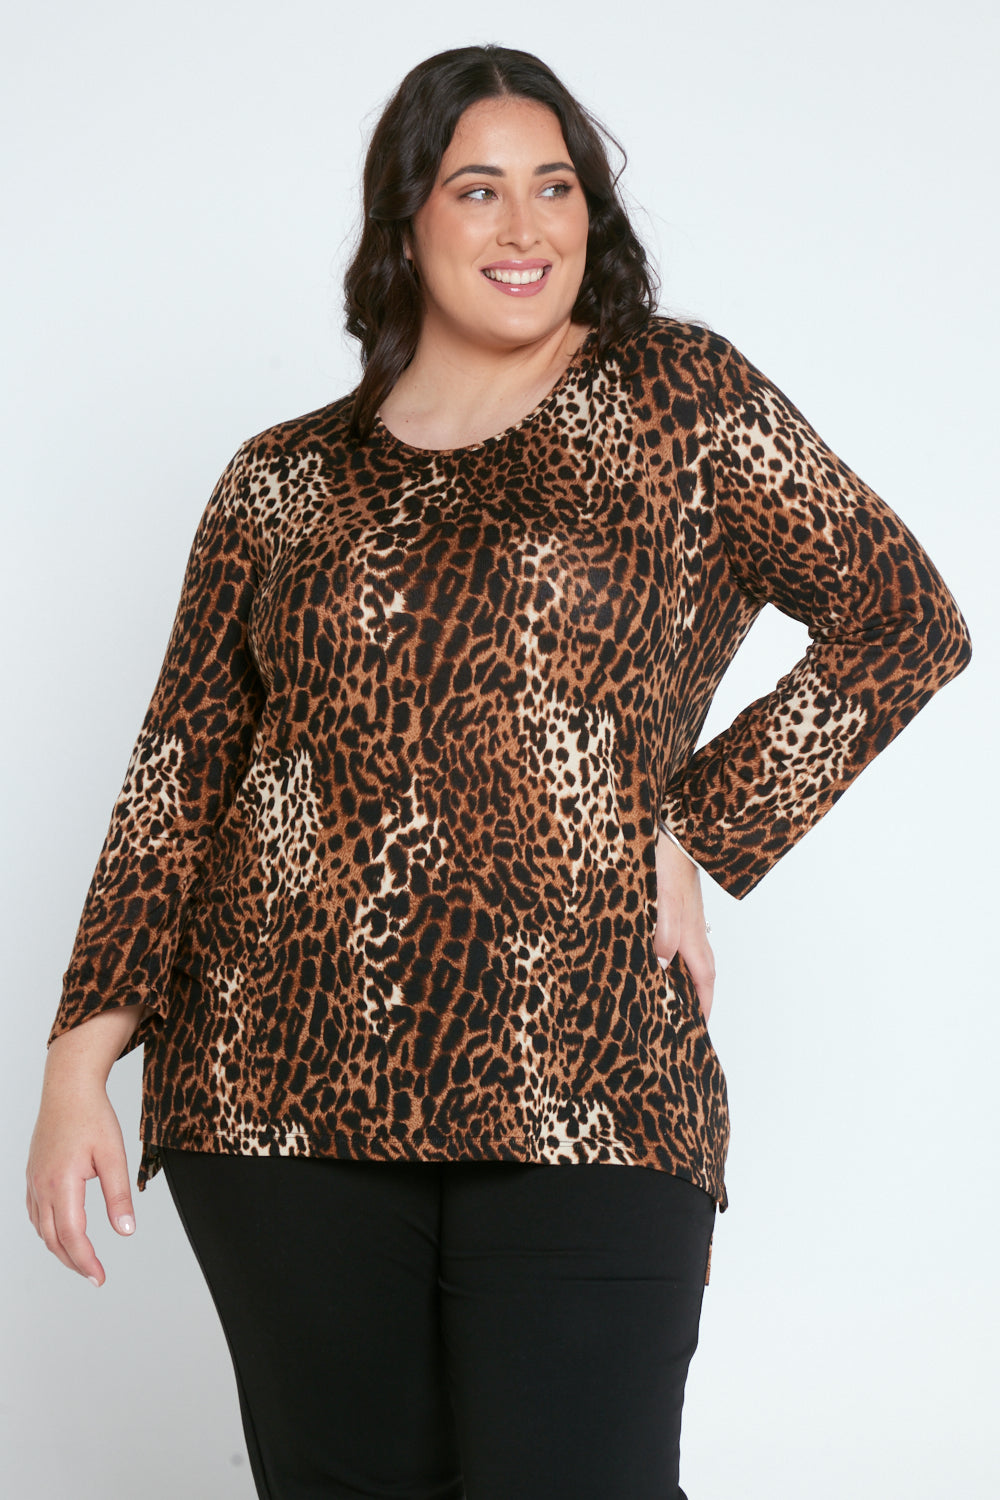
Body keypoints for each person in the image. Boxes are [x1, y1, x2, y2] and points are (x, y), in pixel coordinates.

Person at [25, 42, 971, 1500]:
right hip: (273, 1089)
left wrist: (698, 831)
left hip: (592, 1072)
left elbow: (903, 618)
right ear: (405, 220)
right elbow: (179, 775)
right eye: (477, 189)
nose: (525, 227)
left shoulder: (682, 399)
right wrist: (78, 1067)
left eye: (557, 187)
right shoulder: (280, 479)